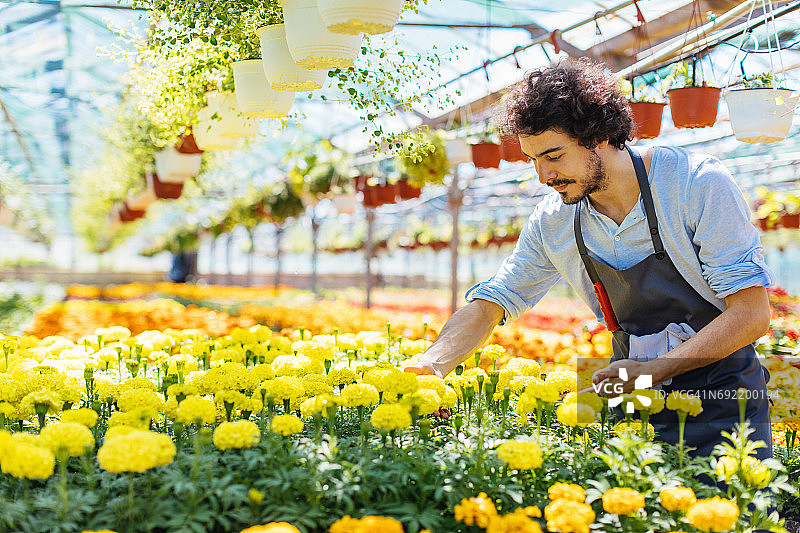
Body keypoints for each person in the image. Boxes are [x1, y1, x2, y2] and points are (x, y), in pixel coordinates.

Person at [404, 59, 774, 459]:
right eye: (533, 159)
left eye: (554, 155)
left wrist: (654, 370)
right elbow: (496, 299)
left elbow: (752, 314)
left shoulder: (695, 184)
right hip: (633, 390)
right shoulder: (555, 221)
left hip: (722, 392)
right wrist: (433, 364)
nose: (543, 176)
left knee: (727, 512)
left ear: (598, 135)